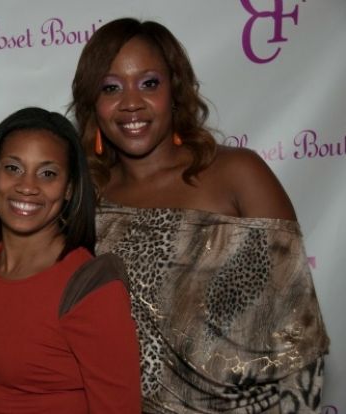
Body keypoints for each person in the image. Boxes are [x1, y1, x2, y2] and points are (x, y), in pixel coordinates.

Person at [70, 17, 329, 414]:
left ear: (175, 90)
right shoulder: (87, 200)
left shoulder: (238, 175)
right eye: (111, 87)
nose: (131, 102)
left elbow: (300, 340)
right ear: (94, 104)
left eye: (149, 83)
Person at [0, 107, 142, 413]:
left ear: (69, 189)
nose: (27, 186)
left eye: (48, 174)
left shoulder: (90, 285)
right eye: (13, 168)